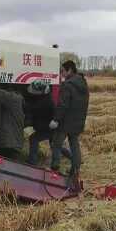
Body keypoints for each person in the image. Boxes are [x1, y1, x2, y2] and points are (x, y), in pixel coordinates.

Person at [49, 60, 89, 191]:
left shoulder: (67, 85)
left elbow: (63, 105)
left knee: (56, 143)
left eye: (63, 71)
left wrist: (56, 120)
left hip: (66, 122)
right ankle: (75, 171)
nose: (62, 73)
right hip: (78, 121)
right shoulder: (83, 83)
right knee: (74, 144)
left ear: (70, 70)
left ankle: (54, 169)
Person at [0, 89, 24, 159]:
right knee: (12, 167)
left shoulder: (8, 98)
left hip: (4, 142)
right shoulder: (20, 104)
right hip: (16, 144)